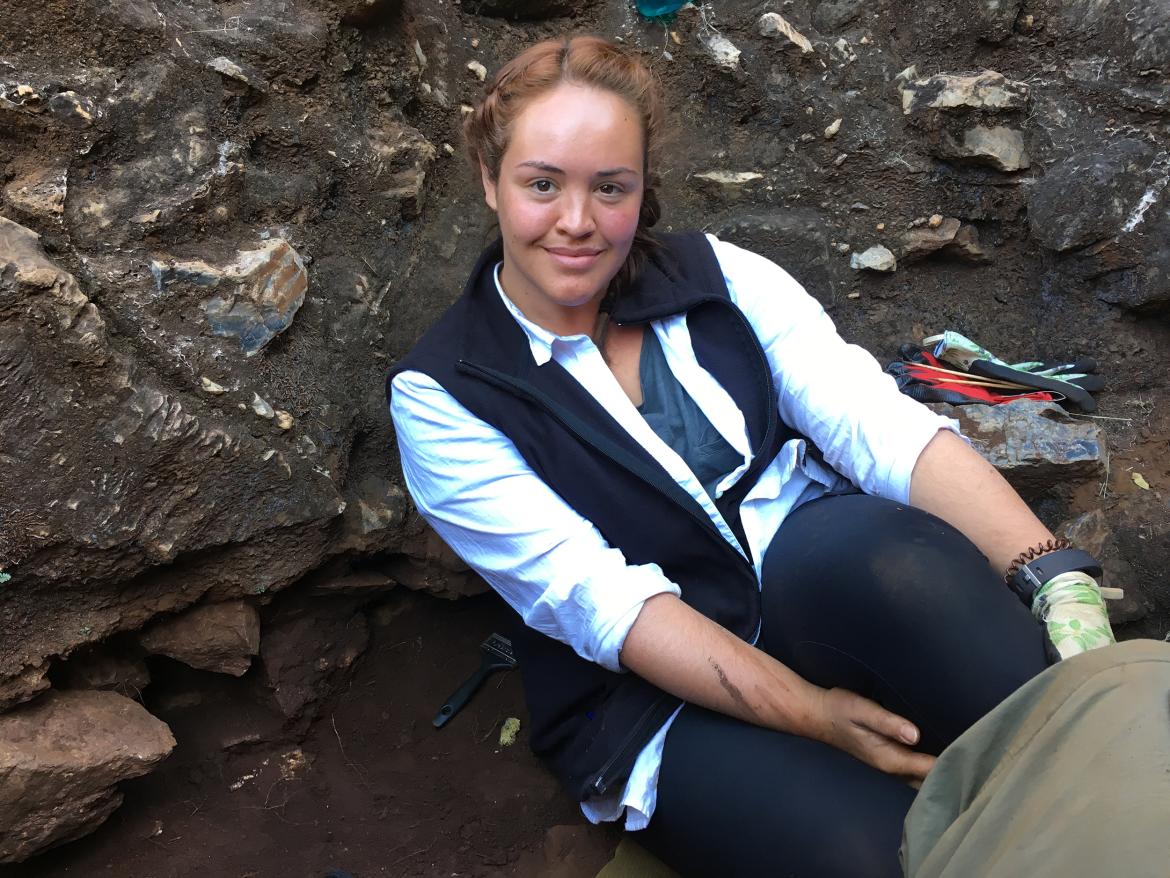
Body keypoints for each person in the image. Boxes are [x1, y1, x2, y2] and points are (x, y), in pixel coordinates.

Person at [386, 35, 1112, 877]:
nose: (577, 223)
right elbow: (600, 603)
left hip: (806, 574)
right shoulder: (444, 394)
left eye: (610, 188)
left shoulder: (717, 277)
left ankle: (1094, 785)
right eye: (542, 184)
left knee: (979, 649)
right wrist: (816, 716)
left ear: (641, 187)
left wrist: (1051, 567)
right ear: (490, 180)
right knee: (873, 855)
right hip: (654, 690)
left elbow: (868, 421)